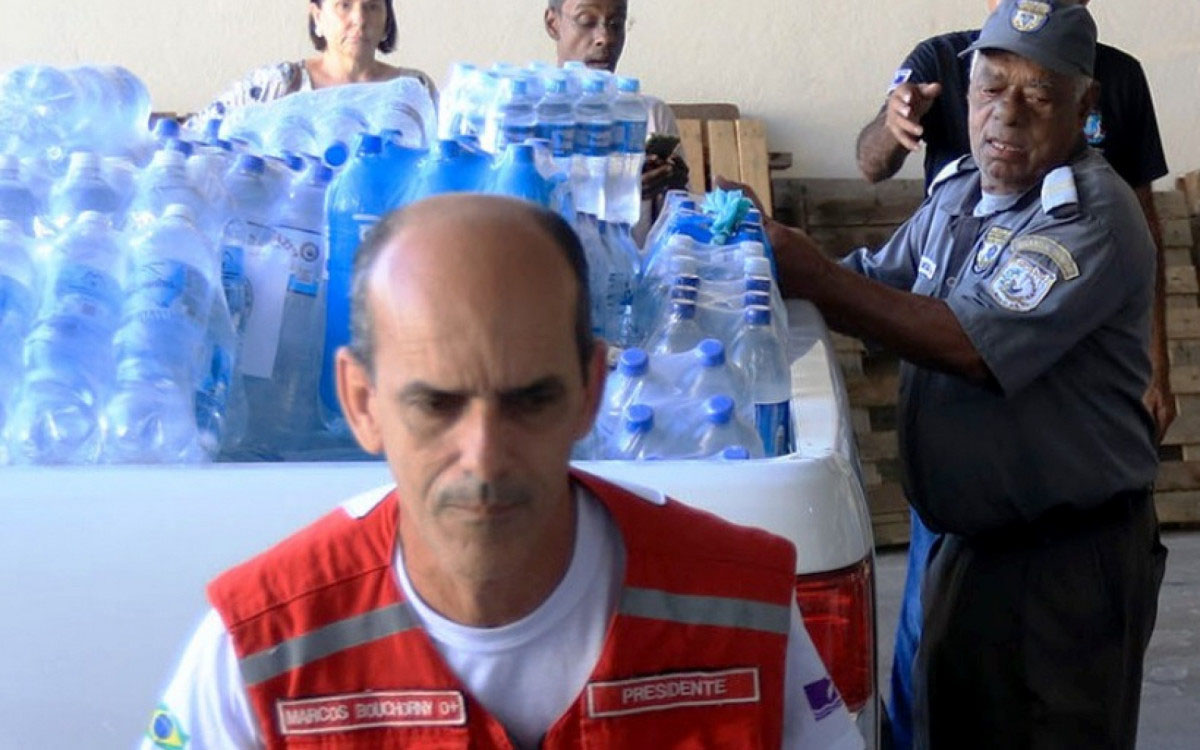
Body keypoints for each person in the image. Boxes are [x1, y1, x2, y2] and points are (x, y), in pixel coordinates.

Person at [140, 194, 864, 750]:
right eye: (436, 404)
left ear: (591, 393)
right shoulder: (260, 648)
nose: (484, 454)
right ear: (362, 402)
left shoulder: (740, 609)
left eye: (530, 399)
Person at [730, 1, 1166, 746]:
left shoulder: (1088, 215)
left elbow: (968, 345)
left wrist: (810, 274)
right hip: (973, 543)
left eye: (1039, 95)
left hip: (1060, 564)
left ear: (1086, 106)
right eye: (991, 89)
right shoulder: (963, 191)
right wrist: (762, 247)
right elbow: (873, 280)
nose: (1007, 114)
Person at [544, 0, 689, 238]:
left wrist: (673, 191)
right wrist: (619, 190)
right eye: (586, 21)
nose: (605, 38)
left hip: (632, 260)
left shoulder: (651, 115)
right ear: (553, 24)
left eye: (616, 24)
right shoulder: (529, 121)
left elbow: (677, 236)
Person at [190, 0, 436, 125]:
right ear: (318, 17)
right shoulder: (277, 85)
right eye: (344, 5)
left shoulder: (415, 88)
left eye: (372, 7)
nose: (360, 19)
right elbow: (193, 135)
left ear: (387, 20)